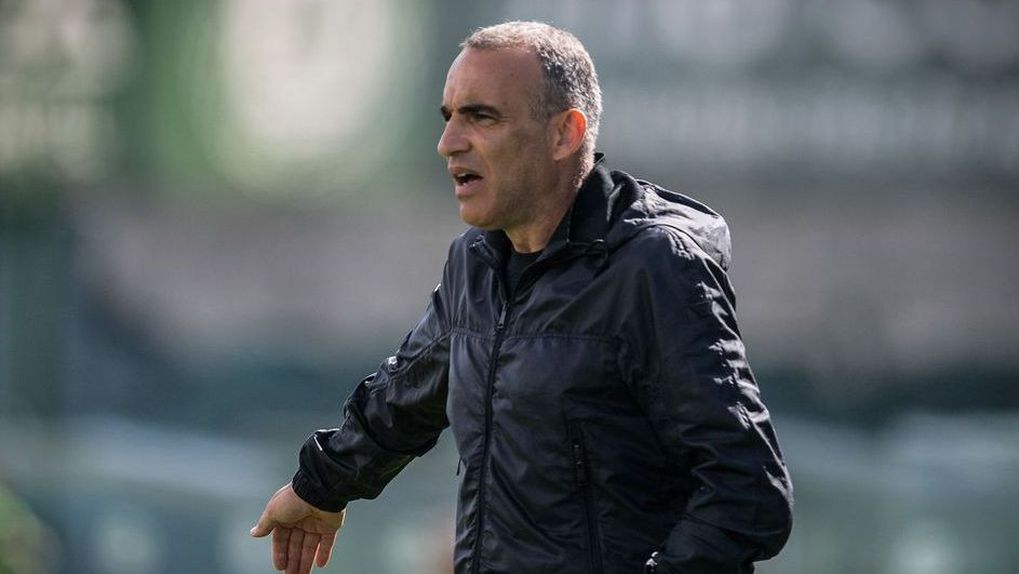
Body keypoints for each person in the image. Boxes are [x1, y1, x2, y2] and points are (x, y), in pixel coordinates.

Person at [251, 21, 793, 574]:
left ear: (565, 134)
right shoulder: (475, 261)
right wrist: (320, 486)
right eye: (448, 117)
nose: (448, 143)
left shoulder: (653, 266)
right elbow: (406, 394)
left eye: (481, 117)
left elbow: (747, 493)